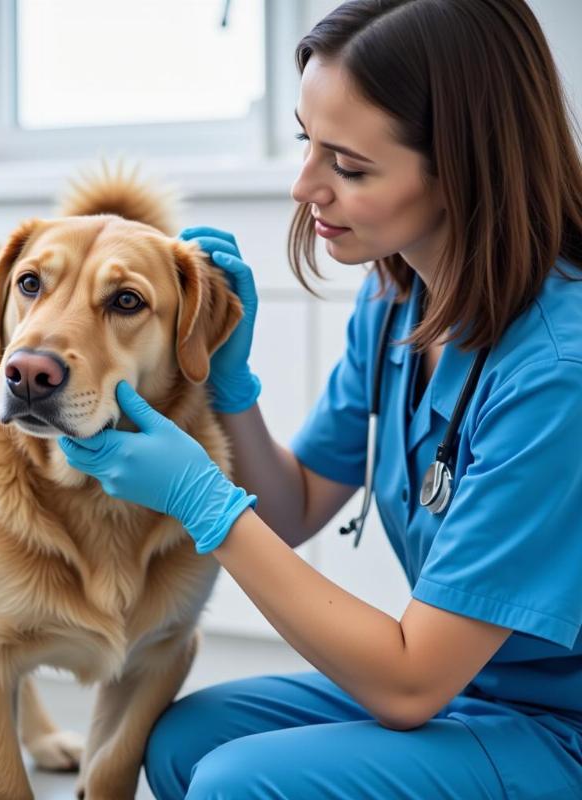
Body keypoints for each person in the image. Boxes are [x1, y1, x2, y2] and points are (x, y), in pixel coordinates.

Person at [58, 0, 582, 796]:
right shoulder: (399, 297)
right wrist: (228, 388)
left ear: (465, 166)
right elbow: (295, 508)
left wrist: (201, 499)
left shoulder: (556, 373)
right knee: (182, 743)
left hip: (558, 728)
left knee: (237, 784)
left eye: (349, 165)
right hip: (479, 688)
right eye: (308, 142)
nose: (305, 187)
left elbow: (410, 686)